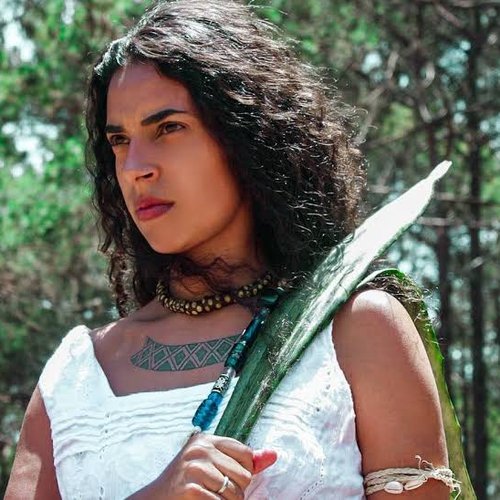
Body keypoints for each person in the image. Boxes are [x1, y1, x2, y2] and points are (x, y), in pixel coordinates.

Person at [6, 1, 454, 498]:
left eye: (168, 128)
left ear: (247, 136)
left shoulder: (357, 330)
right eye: (119, 140)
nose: (135, 168)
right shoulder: (76, 375)